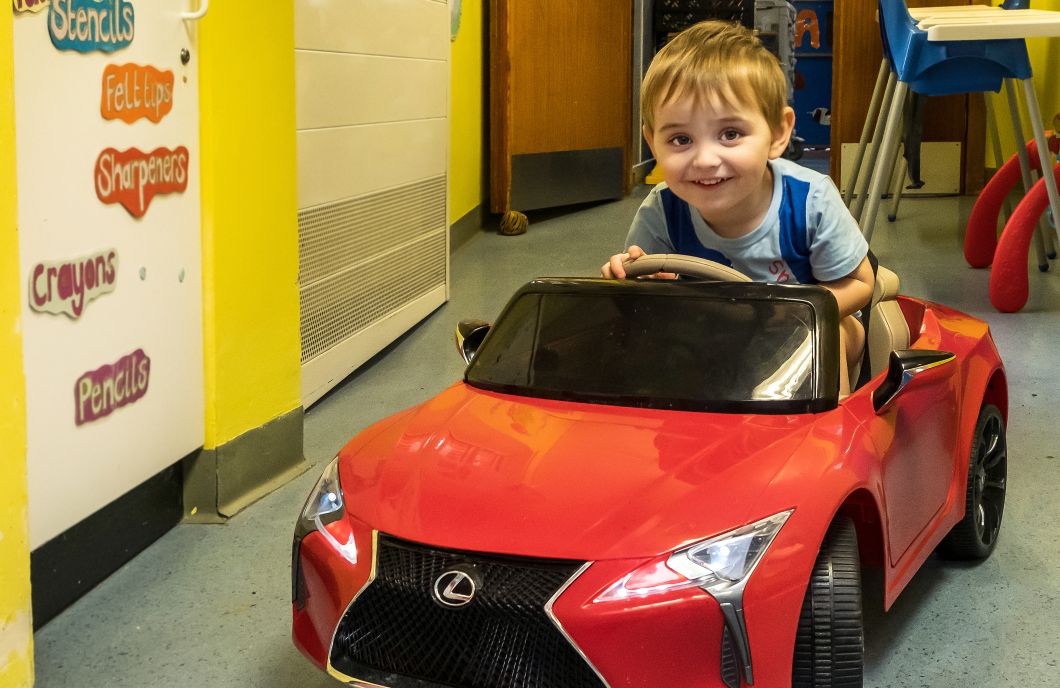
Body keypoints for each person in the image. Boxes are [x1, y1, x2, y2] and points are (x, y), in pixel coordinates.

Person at [601, 20, 874, 396]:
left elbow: (860, 282)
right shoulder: (661, 211)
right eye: (681, 139)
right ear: (653, 142)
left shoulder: (810, 199)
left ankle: (828, 438)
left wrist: (795, 315)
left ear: (778, 133)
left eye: (730, 134)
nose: (706, 159)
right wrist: (631, 282)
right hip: (714, 334)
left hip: (813, 328)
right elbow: (644, 309)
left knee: (820, 341)